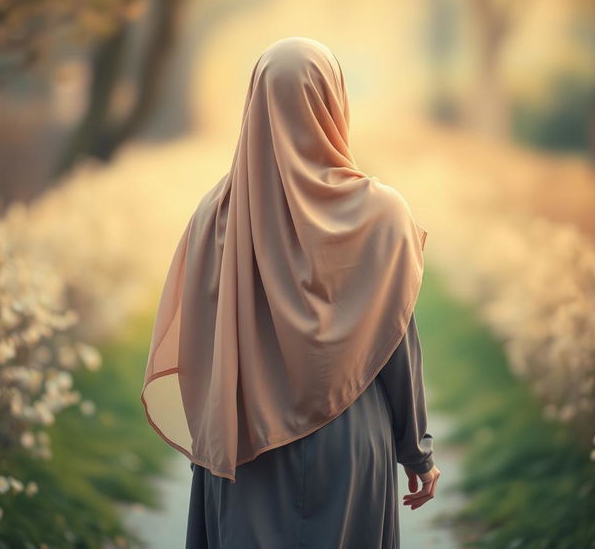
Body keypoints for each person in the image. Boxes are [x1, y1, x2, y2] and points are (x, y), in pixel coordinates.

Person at [140, 36, 441, 548]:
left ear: (254, 105)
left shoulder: (216, 216)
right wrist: (417, 454)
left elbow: (198, 350)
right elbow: (397, 348)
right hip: (348, 443)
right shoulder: (383, 216)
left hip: (244, 447)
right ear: (333, 102)